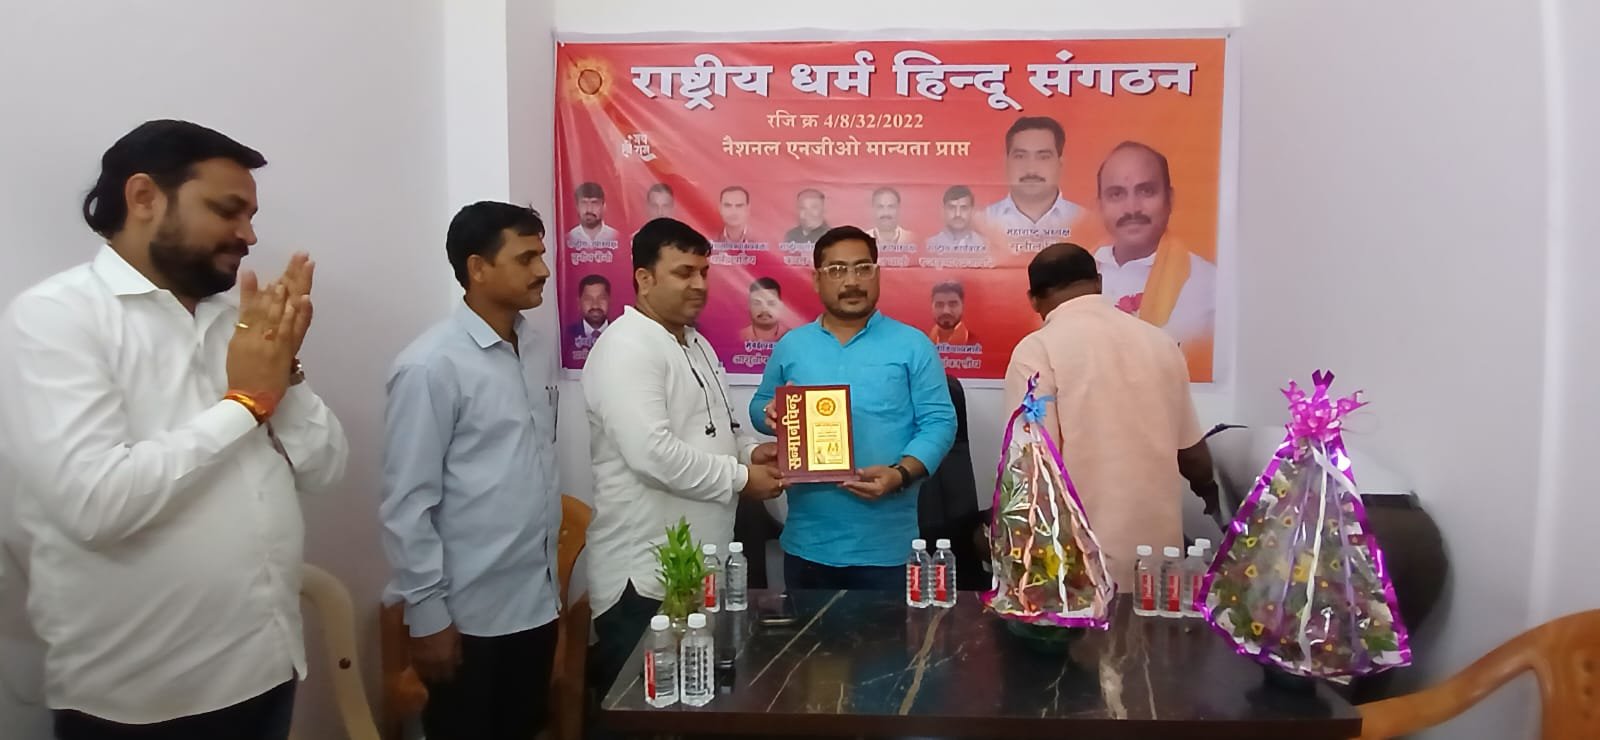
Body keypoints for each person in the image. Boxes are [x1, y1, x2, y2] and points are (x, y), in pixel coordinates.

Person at [0, 119, 349, 740]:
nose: (249, 235)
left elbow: (326, 469)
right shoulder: (55, 317)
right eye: (227, 210)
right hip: (139, 700)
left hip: (267, 667)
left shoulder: (235, 320)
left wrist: (284, 369)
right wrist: (244, 403)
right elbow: (94, 505)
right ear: (143, 198)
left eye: (251, 216)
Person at [582, 217, 786, 696]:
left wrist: (756, 452)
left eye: (703, 272)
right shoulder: (627, 348)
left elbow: (719, 433)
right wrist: (742, 479)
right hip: (644, 582)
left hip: (695, 575)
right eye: (683, 272)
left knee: (695, 706)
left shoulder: (695, 343)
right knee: (645, 711)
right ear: (644, 278)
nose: (698, 284)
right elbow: (654, 455)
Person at [379, 202, 560, 740]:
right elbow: (407, 502)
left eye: (542, 255)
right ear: (477, 268)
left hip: (536, 602)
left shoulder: (534, 347)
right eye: (526, 258)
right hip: (467, 617)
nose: (543, 270)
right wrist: (427, 614)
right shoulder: (431, 365)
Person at [1002, 243, 1218, 589]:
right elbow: (1192, 455)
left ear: (1034, 300)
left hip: (1081, 564)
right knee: (1151, 624)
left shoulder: (1037, 351)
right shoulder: (1161, 343)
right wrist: (1210, 493)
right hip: (1158, 566)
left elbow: (1033, 467)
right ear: (1099, 282)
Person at [752, 226, 956, 590]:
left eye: (862, 268)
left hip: (888, 550)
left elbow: (940, 422)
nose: (851, 281)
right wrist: (770, 414)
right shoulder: (792, 345)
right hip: (807, 545)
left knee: (891, 631)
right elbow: (758, 406)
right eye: (837, 270)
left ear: (877, 274)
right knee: (807, 631)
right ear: (817, 280)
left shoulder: (913, 345)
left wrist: (900, 474)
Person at [1092, 141, 1217, 346]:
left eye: (1146, 191)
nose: (1132, 208)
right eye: (1116, 194)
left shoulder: (1210, 286)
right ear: (1100, 206)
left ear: (1170, 200)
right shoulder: (1071, 279)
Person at [984, 116, 1085, 252]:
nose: (1031, 169)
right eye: (1020, 156)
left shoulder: (1085, 221)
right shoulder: (982, 223)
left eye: (1043, 157)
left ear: (1060, 163)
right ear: (1006, 162)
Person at [924, 185, 985, 252]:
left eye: (964, 208)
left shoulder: (985, 245)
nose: (957, 214)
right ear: (943, 210)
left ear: (972, 211)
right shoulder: (929, 245)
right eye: (952, 208)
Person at [567, 182, 619, 249]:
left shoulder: (615, 237)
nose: (589, 209)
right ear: (577, 207)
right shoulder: (569, 238)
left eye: (594, 203)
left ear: (604, 206)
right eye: (584, 203)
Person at [738, 277, 789, 343]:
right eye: (757, 303)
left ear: (781, 306)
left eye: (771, 303)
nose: (764, 309)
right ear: (749, 305)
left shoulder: (791, 337)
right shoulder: (739, 336)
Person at [567, 273, 611, 347]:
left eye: (601, 298)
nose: (595, 305)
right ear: (579, 303)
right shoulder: (566, 335)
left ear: (609, 301)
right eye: (588, 299)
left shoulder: (620, 333)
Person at [927, 280, 975, 345]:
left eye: (953, 304)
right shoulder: (922, 340)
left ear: (962, 306)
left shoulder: (976, 341)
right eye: (939, 304)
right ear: (932, 306)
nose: (946, 311)